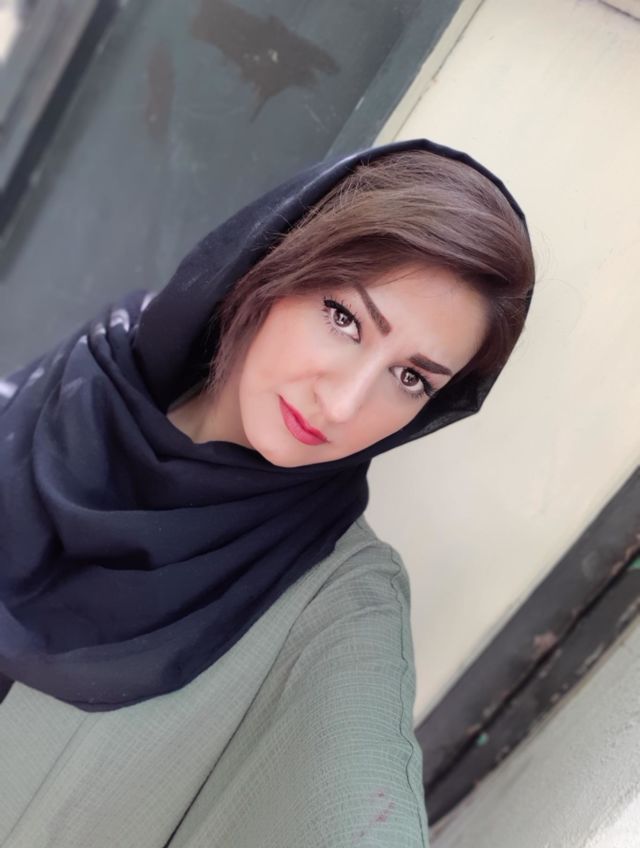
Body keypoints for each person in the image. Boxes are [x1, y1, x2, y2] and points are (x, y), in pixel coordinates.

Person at [0, 138, 535, 846]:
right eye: (344, 318)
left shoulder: (340, 599)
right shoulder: (71, 392)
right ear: (272, 264)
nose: (343, 404)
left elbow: (360, 801)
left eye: (411, 378)